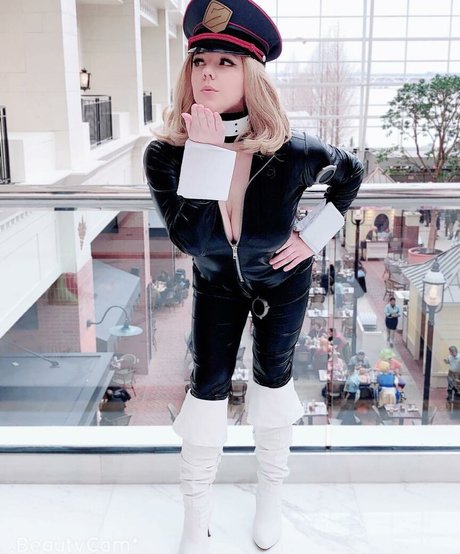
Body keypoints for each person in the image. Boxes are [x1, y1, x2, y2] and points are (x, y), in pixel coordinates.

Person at [143, 1, 363, 551]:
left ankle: (270, 499)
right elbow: (191, 241)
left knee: (273, 381)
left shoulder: (295, 151)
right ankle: (195, 517)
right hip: (216, 283)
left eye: (226, 62)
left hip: (282, 283)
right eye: (200, 61)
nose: (208, 73)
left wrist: (311, 237)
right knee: (206, 390)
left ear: (253, 75)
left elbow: (352, 172)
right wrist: (204, 152)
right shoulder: (165, 155)